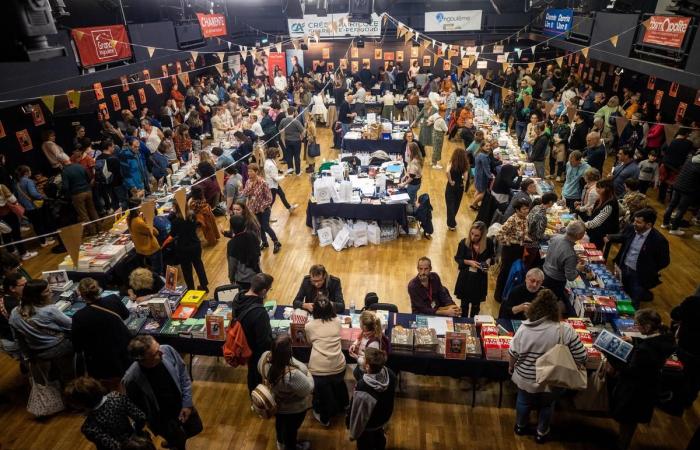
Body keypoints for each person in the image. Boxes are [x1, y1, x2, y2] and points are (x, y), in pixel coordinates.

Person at [509, 289, 587, 444]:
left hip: (526, 376)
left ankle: (520, 426)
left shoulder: (524, 329)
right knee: (547, 405)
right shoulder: (565, 330)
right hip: (553, 377)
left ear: (534, 308)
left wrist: (511, 367)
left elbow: (513, 353)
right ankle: (541, 433)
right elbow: (581, 356)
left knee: (523, 401)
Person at [607, 309, 675, 450]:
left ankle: (622, 444)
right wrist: (635, 340)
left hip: (635, 391)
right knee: (631, 421)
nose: (635, 327)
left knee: (627, 420)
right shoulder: (665, 337)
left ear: (647, 327)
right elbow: (652, 344)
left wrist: (610, 356)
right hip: (648, 388)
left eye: (637, 324)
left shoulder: (645, 350)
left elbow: (631, 370)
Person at [123, 335, 202, 450]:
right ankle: (174, 443)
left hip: (182, 405)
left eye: (158, 347)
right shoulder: (131, 379)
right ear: (141, 360)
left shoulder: (167, 350)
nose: (161, 353)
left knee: (196, 428)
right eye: (155, 353)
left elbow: (183, 375)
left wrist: (187, 403)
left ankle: (174, 441)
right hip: (163, 420)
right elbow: (136, 407)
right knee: (178, 443)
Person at [9, 279, 74, 384]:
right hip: (60, 347)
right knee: (69, 374)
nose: (51, 292)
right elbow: (71, 326)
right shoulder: (49, 310)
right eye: (47, 291)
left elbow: (18, 338)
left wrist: (28, 356)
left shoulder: (14, 313)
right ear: (38, 296)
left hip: (38, 352)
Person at [73, 278, 130, 391]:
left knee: (111, 389)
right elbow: (126, 314)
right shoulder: (113, 299)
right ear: (99, 289)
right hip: (124, 352)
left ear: (81, 295)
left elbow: (77, 345)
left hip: (102, 362)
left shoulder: (79, 316)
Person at [258, 334, 314, 450]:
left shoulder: (264, 357)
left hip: (275, 404)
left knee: (280, 424)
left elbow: (260, 371)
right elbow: (308, 388)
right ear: (289, 352)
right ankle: (290, 446)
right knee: (291, 431)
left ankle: (280, 443)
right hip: (293, 409)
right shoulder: (292, 374)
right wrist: (308, 373)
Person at [607, 208, 670, 308]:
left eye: (638, 222)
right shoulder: (631, 228)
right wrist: (610, 237)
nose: (634, 223)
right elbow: (624, 237)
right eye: (634, 221)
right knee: (619, 294)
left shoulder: (659, 241)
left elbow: (664, 261)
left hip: (639, 276)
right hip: (623, 269)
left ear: (649, 225)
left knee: (633, 302)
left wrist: (649, 269)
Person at [64, 376, 147, 450]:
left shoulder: (88, 427)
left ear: (79, 404)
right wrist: (134, 431)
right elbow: (141, 417)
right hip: (137, 443)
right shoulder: (117, 397)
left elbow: (113, 446)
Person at [304, 295, 348, 427]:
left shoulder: (309, 326)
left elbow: (309, 342)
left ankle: (324, 417)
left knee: (322, 395)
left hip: (319, 371)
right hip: (339, 367)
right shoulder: (337, 322)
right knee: (338, 383)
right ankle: (344, 404)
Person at [347, 348, 396, 450]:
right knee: (379, 437)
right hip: (382, 417)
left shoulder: (363, 387)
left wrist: (350, 424)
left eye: (364, 358)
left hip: (368, 423)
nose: (362, 359)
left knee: (364, 444)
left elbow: (358, 411)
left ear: (368, 366)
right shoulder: (390, 374)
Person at [232, 273, 274, 393]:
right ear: (264, 291)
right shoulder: (259, 312)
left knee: (251, 373)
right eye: (269, 289)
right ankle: (259, 399)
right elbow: (264, 341)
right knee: (256, 376)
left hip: (243, 345)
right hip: (256, 351)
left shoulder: (238, 297)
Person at [542, 221, 586, 311]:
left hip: (545, 272)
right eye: (584, 233)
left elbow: (558, 252)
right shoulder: (570, 253)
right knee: (550, 304)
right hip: (556, 281)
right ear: (579, 236)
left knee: (544, 300)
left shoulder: (556, 237)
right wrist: (578, 269)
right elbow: (570, 277)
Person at [453, 221, 494, 317]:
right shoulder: (464, 243)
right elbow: (458, 258)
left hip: (480, 278)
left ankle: (473, 323)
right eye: (472, 234)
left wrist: (488, 261)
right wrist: (469, 262)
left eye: (477, 235)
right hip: (466, 277)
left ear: (482, 236)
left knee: (476, 306)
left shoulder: (489, 243)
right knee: (464, 305)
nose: (473, 237)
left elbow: (493, 257)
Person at [494, 199, 531, 303]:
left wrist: (526, 238)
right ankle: (499, 296)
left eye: (527, 208)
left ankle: (508, 295)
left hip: (519, 249)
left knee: (514, 272)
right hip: (510, 250)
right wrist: (509, 242)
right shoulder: (512, 220)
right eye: (524, 209)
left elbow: (523, 232)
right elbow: (499, 234)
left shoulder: (525, 218)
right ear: (517, 210)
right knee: (505, 272)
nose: (527, 210)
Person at [241, 163, 281, 253]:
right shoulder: (248, 182)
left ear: (256, 172)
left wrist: (263, 207)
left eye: (251, 171)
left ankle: (276, 242)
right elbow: (245, 194)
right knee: (259, 227)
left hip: (264, 209)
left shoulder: (263, 183)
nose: (249, 173)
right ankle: (264, 242)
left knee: (266, 226)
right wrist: (248, 190)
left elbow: (269, 198)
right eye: (248, 171)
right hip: (253, 209)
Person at [168, 204, 209, 291]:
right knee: (199, 265)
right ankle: (204, 286)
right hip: (195, 245)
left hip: (183, 248)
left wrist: (162, 245)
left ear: (176, 208)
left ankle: (191, 289)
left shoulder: (176, 221)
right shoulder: (192, 216)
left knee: (187, 270)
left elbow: (172, 236)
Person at [15, 165, 55, 248]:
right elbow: (33, 193)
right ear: (26, 172)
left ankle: (42, 241)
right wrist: (43, 196)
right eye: (29, 171)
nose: (31, 172)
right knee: (40, 224)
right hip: (34, 206)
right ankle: (44, 241)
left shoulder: (18, 183)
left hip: (26, 207)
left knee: (36, 225)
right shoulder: (28, 181)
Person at [661, 150, 700, 235]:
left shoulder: (689, 159)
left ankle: (665, 223)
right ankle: (674, 228)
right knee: (681, 209)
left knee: (671, 205)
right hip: (687, 190)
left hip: (677, 185)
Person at [63, 150, 100, 235]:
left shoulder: (65, 171)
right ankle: (99, 227)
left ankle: (92, 231)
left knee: (83, 214)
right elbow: (89, 177)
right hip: (88, 191)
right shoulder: (80, 166)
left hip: (77, 194)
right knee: (92, 210)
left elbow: (65, 187)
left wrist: (68, 194)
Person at [226, 215, 261, 291]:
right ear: (245, 226)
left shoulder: (232, 244)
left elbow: (232, 264)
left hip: (242, 280)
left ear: (231, 227)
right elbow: (258, 254)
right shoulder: (253, 236)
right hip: (256, 274)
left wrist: (231, 278)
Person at [583, 179, 620, 249]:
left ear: (607, 189)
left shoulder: (610, 203)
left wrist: (582, 225)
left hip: (601, 234)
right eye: (597, 187)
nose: (597, 189)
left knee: (595, 251)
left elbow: (597, 222)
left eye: (600, 188)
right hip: (596, 231)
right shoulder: (602, 198)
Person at [127, 207, 163, 276]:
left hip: (141, 248)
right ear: (137, 208)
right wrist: (147, 221)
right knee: (158, 272)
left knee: (150, 270)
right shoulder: (138, 221)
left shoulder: (129, 218)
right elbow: (155, 232)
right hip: (151, 248)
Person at [264, 146, 298, 212]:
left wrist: (280, 171)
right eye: (277, 154)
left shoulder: (268, 161)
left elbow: (272, 172)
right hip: (272, 186)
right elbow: (276, 179)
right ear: (274, 155)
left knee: (282, 195)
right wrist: (285, 175)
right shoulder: (271, 165)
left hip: (271, 184)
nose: (278, 155)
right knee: (271, 201)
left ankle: (289, 208)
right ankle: (266, 214)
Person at [1, 273, 25, 356]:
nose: (27, 286)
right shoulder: (13, 306)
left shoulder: (6, 297)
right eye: (23, 285)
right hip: (13, 342)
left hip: (7, 337)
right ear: (12, 288)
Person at [444, 148, 469, 231]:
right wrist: (460, 177)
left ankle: (451, 223)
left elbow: (447, 172)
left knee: (450, 204)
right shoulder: (465, 165)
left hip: (451, 186)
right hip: (460, 186)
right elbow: (465, 178)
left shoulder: (451, 162)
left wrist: (451, 181)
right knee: (456, 205)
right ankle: (452, 222)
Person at [279, 108, 305, 175]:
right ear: (293, 112)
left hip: (287, 141)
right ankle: (298, 172)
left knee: (289, 156)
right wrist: (301, 138)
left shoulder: (283, 120)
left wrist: (283, 137)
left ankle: (290, 171)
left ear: (287, 112)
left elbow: (280, 129)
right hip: (296, 141)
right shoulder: (296, 121)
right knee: (297, 156)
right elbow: (303, 131)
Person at [430, 105, 448, 169]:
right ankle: (435, 164)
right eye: (445, 111)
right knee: (438, 149)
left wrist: (431, 122)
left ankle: (433, 161)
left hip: (434, 133)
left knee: (435, 148)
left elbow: (430, 119)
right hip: (439, 135)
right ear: (443, 112)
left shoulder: (435, 115)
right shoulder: (441, 120)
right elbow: (446, 129)